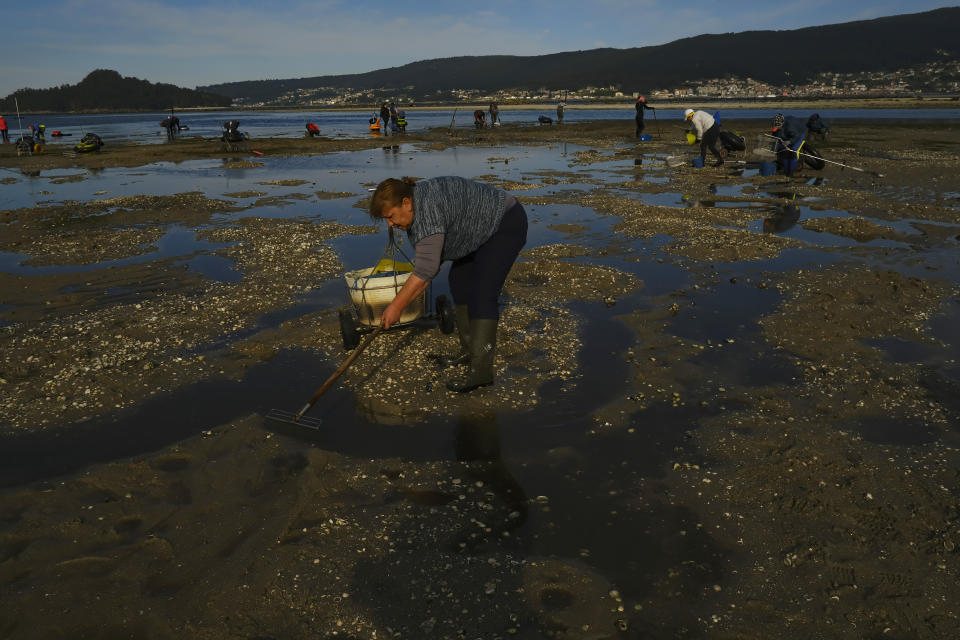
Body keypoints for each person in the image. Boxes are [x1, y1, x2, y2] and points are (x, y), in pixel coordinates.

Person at [368, 176, 528, 392]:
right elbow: (429, 265)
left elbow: (426, 271)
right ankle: (469, 350)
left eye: (390, 216)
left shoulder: (428, 215)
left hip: (504, 223)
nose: (390, 224)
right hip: (474, 230)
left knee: (482, 294)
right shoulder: (416, 206)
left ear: (406, 202)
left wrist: (396, 306)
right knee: (458, 280)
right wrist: (410, 291)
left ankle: (481, 372)